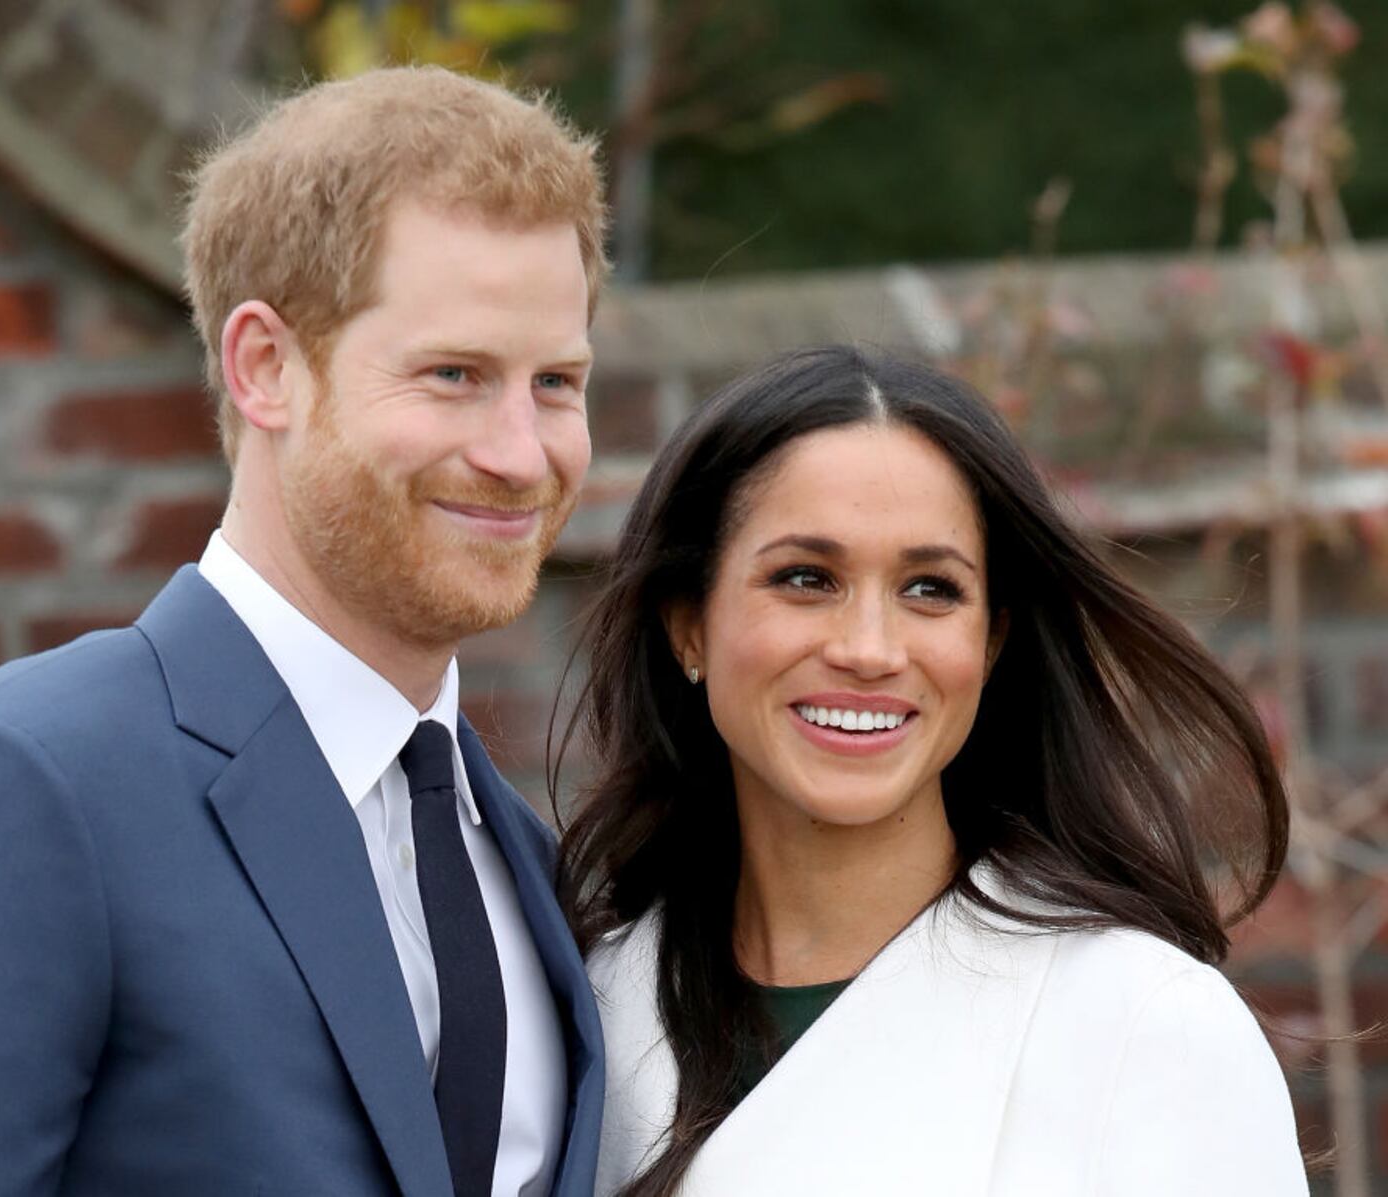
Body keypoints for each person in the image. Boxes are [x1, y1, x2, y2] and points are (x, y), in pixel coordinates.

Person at [0, 66, 607, 1197]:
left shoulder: (527, 862)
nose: (521, 453)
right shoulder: (25, 789)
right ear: (265, 368)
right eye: (453, 375)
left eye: (556, 382)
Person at [556, 346, 1308, 1196]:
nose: (869, 649)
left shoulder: (1144, 1026)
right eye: (806, 578)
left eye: (930, 589)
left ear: (990, 643)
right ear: (688, 623)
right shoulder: (579, 1016)